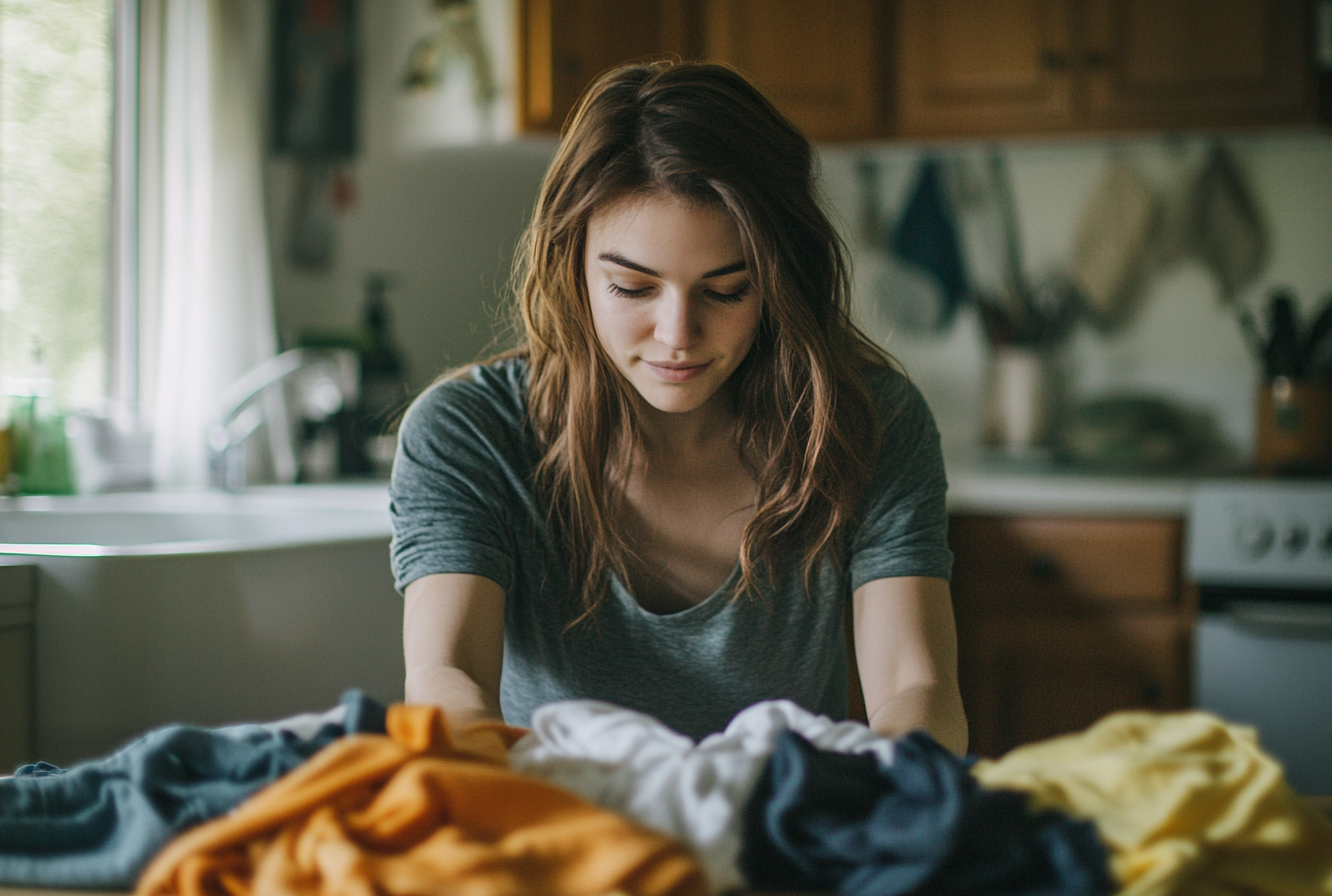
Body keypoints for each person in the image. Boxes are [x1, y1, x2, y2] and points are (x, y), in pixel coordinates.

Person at [390, 60, 967, 754]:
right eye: (633, 288)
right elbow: (448, 675)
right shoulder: (469, 433)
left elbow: (914, 683)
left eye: (726, 291)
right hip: (563, 835)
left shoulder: (870, 420)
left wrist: (907, 793)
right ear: (570, 264)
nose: (677, 336)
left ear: (782, 281)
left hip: (782, 834)